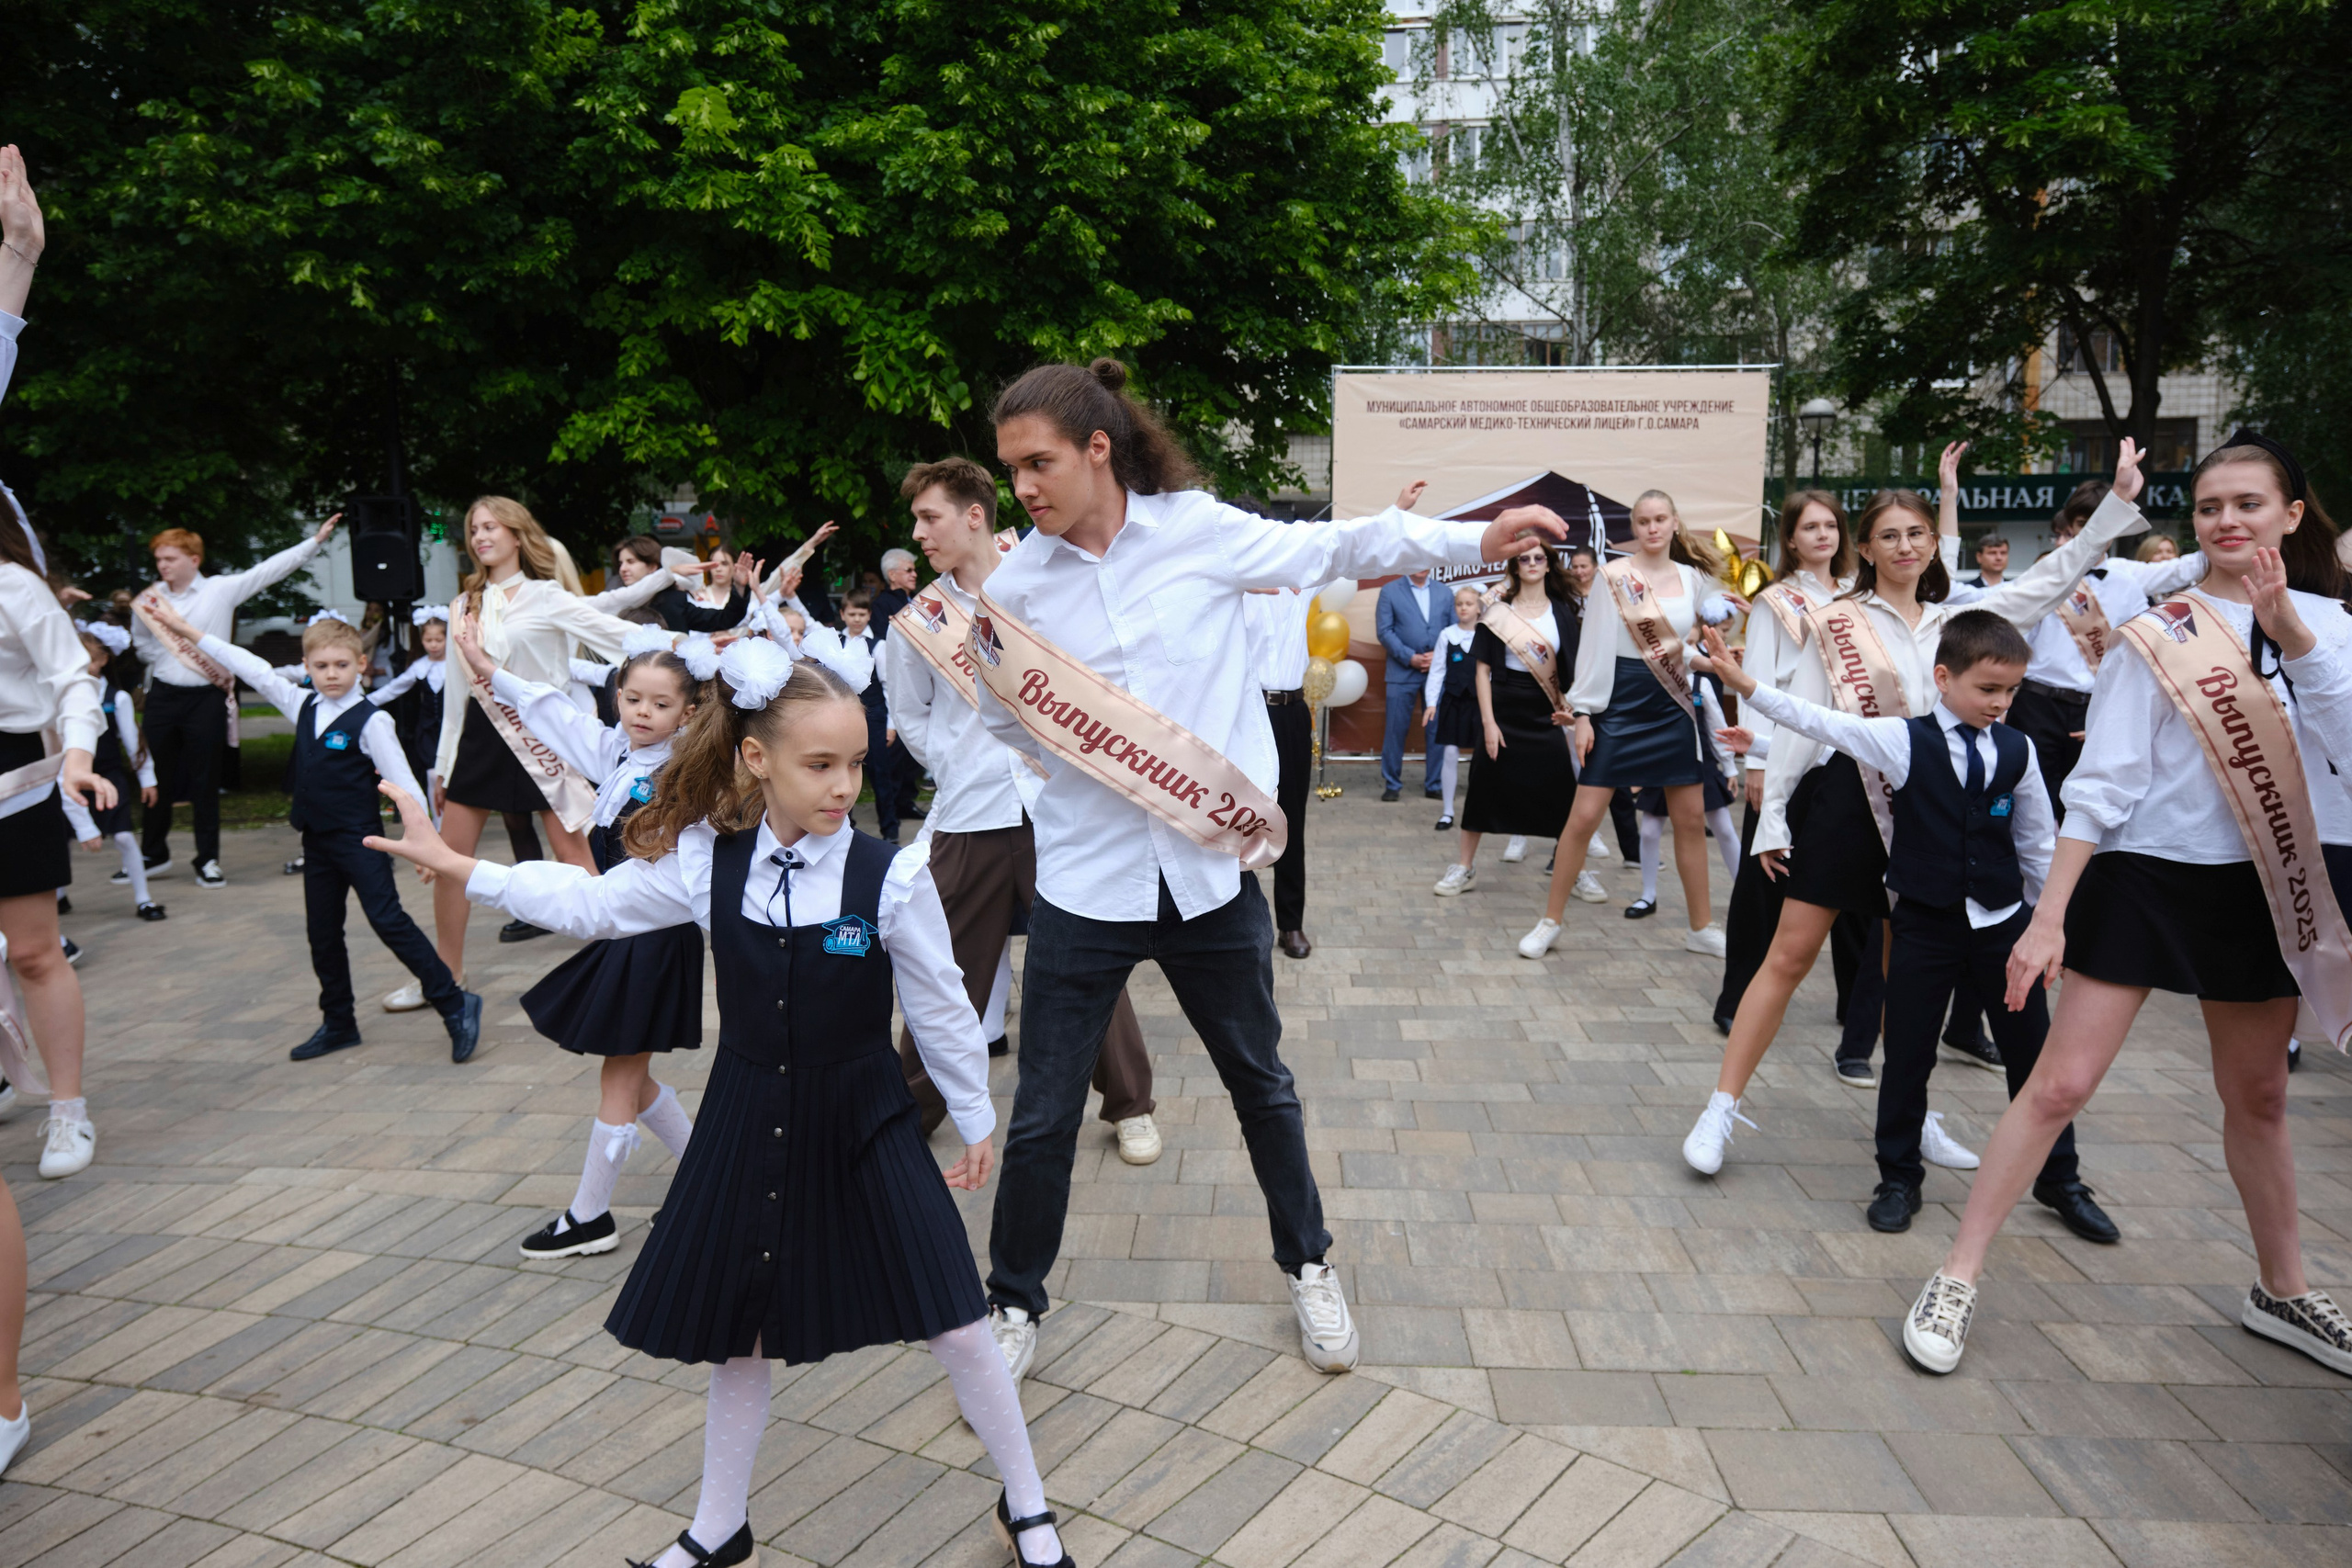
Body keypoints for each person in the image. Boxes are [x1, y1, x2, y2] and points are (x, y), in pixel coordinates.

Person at [368, 640, 1074, 1568]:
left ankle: (1026, 1508)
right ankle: (717, 1527)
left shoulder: (887, 872)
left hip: (864, 1116)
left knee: (954, 1314)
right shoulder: (708, 862)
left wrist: (975, 1117)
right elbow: (593, 905)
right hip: (747, 1115)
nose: (842, 785)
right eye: (820, 764)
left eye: (856, 764)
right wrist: (466, 870)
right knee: (739, 1329)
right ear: (756, 758)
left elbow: (940, 1000)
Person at [972, 357, 1567, 1380]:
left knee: (1263, 1086)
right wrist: (1078, 781)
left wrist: (1473, 540)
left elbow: (1337, 543)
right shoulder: (1016, 585)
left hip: (1207, 881)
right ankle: (1013, 1304)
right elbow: (1002, 716)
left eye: (1038, 464)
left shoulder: (1198, 529)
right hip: (1084, 886)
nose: (1022, 489)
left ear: (1098, 450)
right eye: (1010, 471)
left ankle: (1310, 1268)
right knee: (1039, 1114)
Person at [1901, 433, 2352, 1380]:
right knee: (2059, 1085)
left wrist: (2298, 641)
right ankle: (1956, 1273)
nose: (2227, 522)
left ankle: (2282, 1288)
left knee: (2261, 1095)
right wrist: (2048, 914)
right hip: (2145, 877)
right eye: (2210, 507)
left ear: (2293, 516)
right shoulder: (2158, 630)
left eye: (2249, 505)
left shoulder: (2334, 625)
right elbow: (2102, 784)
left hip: (2268, 882)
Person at [1684, 441, 2160, 1180]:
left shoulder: (1962, 614)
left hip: (1936, 815)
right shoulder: (1837, 621)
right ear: (1864, 549)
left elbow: (2051, 578)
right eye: (1888, 536)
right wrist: (1773, 816)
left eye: (1916, 535)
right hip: (1848, 804)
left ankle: (1916, 1111)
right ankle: (1721, 1105)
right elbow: (1802, 723)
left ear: (1930, 544)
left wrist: (2112, 510)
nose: (1904, 546)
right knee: (1788, 955)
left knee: (1911, 975)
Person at [1704, 614, 2106, 1237]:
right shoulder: (1901, 738)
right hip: (1924, 924)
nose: (2000, 703)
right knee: (1909, 1054)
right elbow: (1821, 721)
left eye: (2011, 691)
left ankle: (2060, 1176)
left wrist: (2051, 927)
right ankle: (1898, 1175)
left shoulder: (2019, 750)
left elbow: (2038, 847)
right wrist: (1747, 686)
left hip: (2000, 928)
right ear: (1944, 678)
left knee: (2034, 1056)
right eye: (1987, 689)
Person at [883, 457, 1159, 1163]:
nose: (919, 534)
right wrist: (952, 760)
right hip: (970, 814)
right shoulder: (917, 624)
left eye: (930, 517)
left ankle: (1131, 1104)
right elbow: (909, 715)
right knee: (943, 970)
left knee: (1087, 957)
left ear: (975, 514)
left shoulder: (1047, 573)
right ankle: (907, 1110)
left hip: (1057, 807)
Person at [449, 618, 716, 1256]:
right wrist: (487, 668)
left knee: (620, 1078)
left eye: (660, 702)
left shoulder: (686, 771)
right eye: (632, 698)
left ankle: (590, 1215)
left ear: (687, 711)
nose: (642, 711)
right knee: (635, 1078)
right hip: (623, 928)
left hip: (652, 934)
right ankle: (710, 1176)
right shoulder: (618, 753)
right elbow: (551, 713)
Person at [141, 593, 482, 1062]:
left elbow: (404, 783)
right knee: (322, 933)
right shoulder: (300, 704)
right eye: (321, 666)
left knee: (389, 921)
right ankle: (338, 1021)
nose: (332, 674)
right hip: (316, 842)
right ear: (306, 666)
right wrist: (187, 630)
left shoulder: (373, 720)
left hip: (360, 840)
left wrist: (423, 846)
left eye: (342, 664)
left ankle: (454, 1003)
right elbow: (247, 664)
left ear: (361, 664)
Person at [1521, 491, 1733, 959]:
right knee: (1582, 819)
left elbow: (1681, 651)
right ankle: (1550, 921)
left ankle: (1701, 926)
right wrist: (1583, 714)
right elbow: (1595, 646)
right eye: (1643, 521)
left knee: (1692, 820)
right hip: (1619, 704)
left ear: (1675, 522)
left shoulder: (1694, 579)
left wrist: (1716, 664)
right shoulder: (1614, 577)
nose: (1652, 528)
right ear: (1633, 527)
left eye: (1660, 519)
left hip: (1674, 706)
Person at [130, 513, 342, 887]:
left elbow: (269, 570)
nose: (162, 566)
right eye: (159, 559)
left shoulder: (220, 590)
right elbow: (143, 645)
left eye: (170, 559)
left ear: (193, 560)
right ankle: (153, 853)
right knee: (155, 775)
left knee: (205, 781)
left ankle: (207, 859)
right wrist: (165, 661)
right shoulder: (149, 600)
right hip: (163, 695)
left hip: (206, 698)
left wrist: (315, 542)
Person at [1432, 540, 1587, 901]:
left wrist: (1574, 711)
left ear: (1549, 565)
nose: (1532, 563)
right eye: (1524, 558)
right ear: (1515, 567)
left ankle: (1574, 870)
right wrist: (1488, 723)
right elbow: (1482, 671)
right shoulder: (1498, 612)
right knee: (1482, 787)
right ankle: (1465, 867)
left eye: (1539, 558)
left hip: (1546, 712)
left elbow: (1576, 668)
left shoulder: (1562, 611)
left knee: (1562, 791)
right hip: (1502, 710)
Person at [69, 624, 164, 920]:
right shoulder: (63, 697)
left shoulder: (115, 698)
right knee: (60, 839)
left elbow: (134, 742)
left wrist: (147, 778)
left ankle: (144, 899)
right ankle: (57, 896)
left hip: (108, 775)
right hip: (68, 777)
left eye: (86, 657)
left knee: (123, 836)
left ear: (103, 660)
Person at [1249, 583, 1317, 957]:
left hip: (1292, 712)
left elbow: (1344, 553)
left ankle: (1291, 924)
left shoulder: (1303, 585)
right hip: (1248, 711)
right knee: (1237, 815)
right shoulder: (1236, 587)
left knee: (1291, 820)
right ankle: (1230, 923)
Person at [1374, 562, 1449, 802]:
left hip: (1437, 672)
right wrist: (1410, 657)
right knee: (1396, 729)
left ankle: (1435, 784)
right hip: (1401, 671)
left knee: (1437, 729)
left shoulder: (1445, 592)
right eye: (1415, 559)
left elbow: (1455, 629)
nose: (1422, 565)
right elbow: (1384, 631)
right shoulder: (1389, 591)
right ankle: (1392, 784)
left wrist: (1439, 655)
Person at [838, 590, 901, 841]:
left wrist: (891, 724)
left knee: (879, 774)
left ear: (869, 615)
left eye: (862, 614)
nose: (856, 619)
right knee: (841, 772)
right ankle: (844, 828)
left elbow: (889, 685)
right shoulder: (836, 644)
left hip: (874, 718)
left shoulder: (878, 646)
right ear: (843, 614)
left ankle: (890, 829)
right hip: (842, 718)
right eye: (852, 613)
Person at [873, 547, 926, 824]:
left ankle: (907, 800)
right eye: (909, 570)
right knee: (895, 751)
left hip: (919, 682)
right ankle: (892, 805)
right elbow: (887, 645)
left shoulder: (915, 600)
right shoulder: (882, 604)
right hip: (897, 682)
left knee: (912, 752)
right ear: (893, 574)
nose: (914, 574)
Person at [1425, 584, 1482, 831]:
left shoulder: (1487, 635)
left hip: (1480, 704)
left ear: (1479, 607)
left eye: (1469, 604)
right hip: (1453, 702)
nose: (1464, 608)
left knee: (1482, 756)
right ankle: (1448, 811)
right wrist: (1431, 703)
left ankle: (1480, 807)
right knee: (1449, 753)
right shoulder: (1447, 635)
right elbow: (1437, 671)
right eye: (1460, 604)